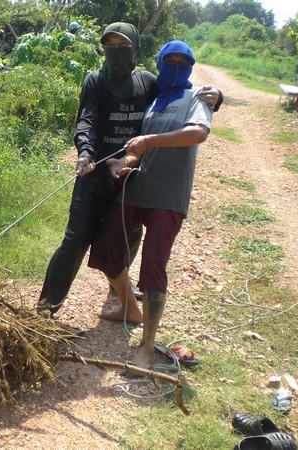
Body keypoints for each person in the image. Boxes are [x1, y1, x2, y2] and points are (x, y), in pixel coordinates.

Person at [37, 23, 222, 318]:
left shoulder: (146, 82)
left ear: (134, 48)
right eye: (110, 46)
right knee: (74, 242)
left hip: (129, 177)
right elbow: (86, 120)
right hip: (94, 175)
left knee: (124, 239)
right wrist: (85, 152)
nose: (116, 53)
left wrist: (217, 97)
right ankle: (46, 310)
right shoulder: (95, 81)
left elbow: (179, 92)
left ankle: (120, 296)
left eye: (122, 46)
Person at [88, 40, 211, 369]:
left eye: (182, 62)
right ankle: (129, 306)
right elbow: (137, 149)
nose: (175, 67)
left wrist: (149, 141)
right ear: (158, 63)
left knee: (153, 268)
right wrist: (121, 162)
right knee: (104, 247)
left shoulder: (196, 97)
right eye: (169, 61)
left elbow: (198, 134)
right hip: (137, 189)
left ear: (190, 66)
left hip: (168, 197)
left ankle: (147, 345)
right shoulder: (153, 101)